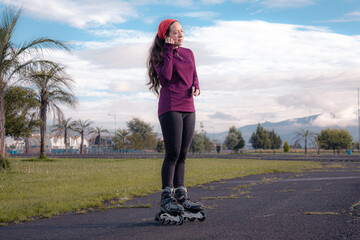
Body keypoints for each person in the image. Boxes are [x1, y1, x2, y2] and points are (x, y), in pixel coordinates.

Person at [147, 19, 204, 223]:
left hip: (189, 106)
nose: (181, 35)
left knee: (183, 154)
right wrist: (169, 49)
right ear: (166, 35)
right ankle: (166, 198)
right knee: (172, 153)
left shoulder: (188, 53)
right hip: (170, 106)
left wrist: (196, 86)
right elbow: (166, 78)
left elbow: (194, 75)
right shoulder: (160, 55)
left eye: (182, 31)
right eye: (176, 32)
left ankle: (181, 196)